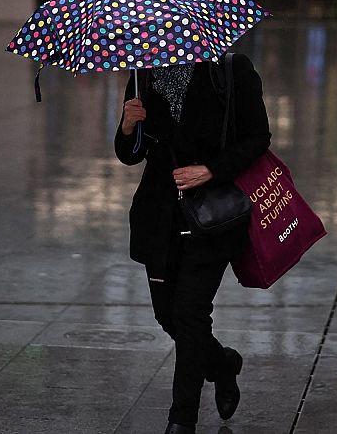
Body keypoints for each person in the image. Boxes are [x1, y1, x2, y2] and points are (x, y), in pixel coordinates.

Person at [116, 55, 273, 434]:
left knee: (189, 313)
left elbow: (258, 137)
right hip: (160, 216)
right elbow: (130, 154)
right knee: (167, 315)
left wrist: (211, 170)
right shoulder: (143, 71)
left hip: (212, 216)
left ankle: (181, 419)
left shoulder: (232, 71)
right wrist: (127, 126)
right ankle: (222, 365)